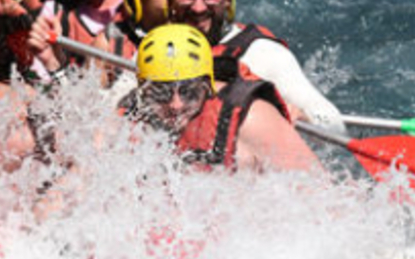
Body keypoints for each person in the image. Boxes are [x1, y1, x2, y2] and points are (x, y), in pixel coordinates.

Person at [161, 0, 343, 133]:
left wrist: (306, 118)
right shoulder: (158, 48)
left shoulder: (263, 54)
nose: (198, 8)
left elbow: (334, 124)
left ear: (228, 0)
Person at [129, 25, 317, 173]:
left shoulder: (251, 119)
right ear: (143, 92)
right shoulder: (130, 117)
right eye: (161, 93)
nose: (176, 105)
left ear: (207, 87)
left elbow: (321, 196)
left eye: (189, 92)